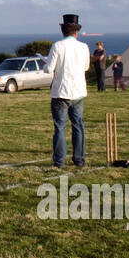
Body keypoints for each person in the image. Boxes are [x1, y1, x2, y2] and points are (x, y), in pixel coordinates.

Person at [45, 14, 90, 168]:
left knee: (60, 127)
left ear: (63, 31)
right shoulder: (84, 47)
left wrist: (46, 65)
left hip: (61, 91)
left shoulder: (58, 46)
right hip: (78, 91)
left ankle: (59, 161)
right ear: (76, 32)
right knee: (78, 126)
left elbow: (49, 69)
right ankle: (79, 159)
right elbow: (86, 67)